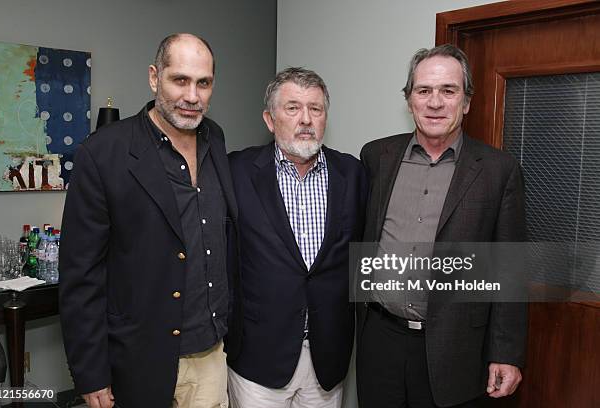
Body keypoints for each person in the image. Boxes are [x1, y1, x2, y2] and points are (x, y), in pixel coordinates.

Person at [59, 33, 238, 408]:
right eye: (180, 80)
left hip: (209, 357)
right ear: (155, 77)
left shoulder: (215, 138)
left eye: (203, 83)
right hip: (139, 361)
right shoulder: (103, 153)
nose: (192, 95)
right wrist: (91, 375)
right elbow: (81, 277)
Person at [356, 44, 527, 407]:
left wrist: (507, 352)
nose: (435, 102)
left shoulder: (498, 171)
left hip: (456, 349)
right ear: (409, 100)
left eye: (448, 91)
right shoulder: (376, 156)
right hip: (379, 340)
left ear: (466, 102)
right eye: (424, 91)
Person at [225, 67, 367, 407]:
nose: (306, 119)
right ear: (270, 119)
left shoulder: (354, 174)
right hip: (258, 356)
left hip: (327, 356)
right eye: (292, 108)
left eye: (315, 109)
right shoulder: (236, 172)